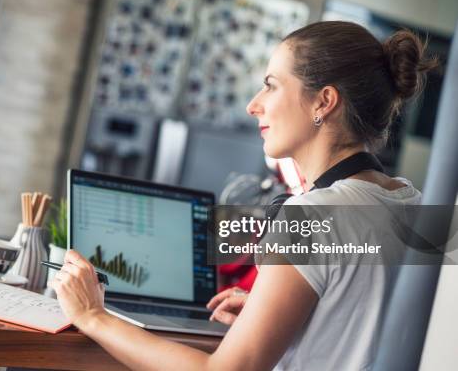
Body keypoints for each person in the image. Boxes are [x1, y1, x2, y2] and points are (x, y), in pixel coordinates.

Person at [52, 21, 437, 370]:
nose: (254, 105)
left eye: (271, 85)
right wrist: (271, 310)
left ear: (323, 101)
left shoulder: (311, 216)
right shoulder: (416, 204)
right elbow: (360, 326)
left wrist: (92, 316)